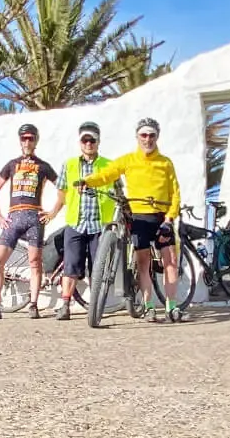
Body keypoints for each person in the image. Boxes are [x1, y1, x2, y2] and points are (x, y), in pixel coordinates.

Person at [78, 118, 185, 322]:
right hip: (139, 217)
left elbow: (175, 193)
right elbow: (106, 175)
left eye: (151, 135)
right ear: (137, 137)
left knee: (170, 262)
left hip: (162, 218)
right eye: (144, 135)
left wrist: (170, 218)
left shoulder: (165, 162)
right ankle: (149, 306)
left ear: (157, 137)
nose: (148, 139)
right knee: (143, 264)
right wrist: (87, 181)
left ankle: (172, 306)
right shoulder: (128, 160)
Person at [0, 123, 62, 320]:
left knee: (34, 262)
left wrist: (52, 213)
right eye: (23, 138)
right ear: (19, 141)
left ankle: (33, 305)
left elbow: (63, 189)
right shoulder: (11, 164)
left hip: (34, 217)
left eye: (30, 138)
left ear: (36, 141)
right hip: (13, 217)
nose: (27, 141)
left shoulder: (43, 166)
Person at [55, 123, 115, 321]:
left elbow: (117, 191)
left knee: (97, 268)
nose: (89, 144)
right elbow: (62, 191)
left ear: (98, 142)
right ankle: (65, 305)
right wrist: (53, 212)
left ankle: (95, 306)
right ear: (80, 142)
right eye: (85, 140)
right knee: (70, 266)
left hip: (100, 224)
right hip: (76, 222)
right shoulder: (69, 164)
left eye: (92, 140)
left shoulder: (108, 165)